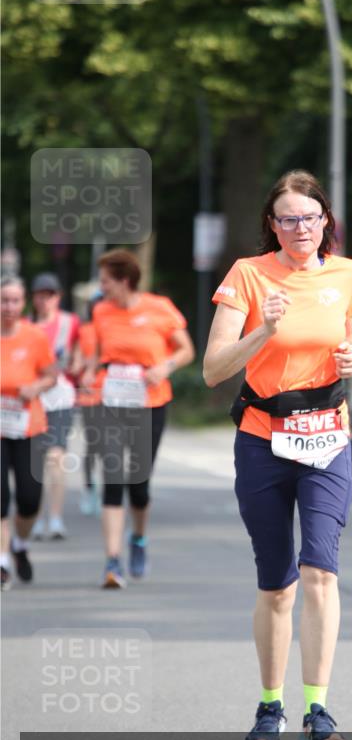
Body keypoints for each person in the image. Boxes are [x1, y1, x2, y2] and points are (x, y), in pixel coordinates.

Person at [203, 170, 352, 740]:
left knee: (321, 570)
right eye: (288, 218)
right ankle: (270, 705)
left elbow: (347, 338)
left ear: (326, 222)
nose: (301, 228)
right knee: (277, 584)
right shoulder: (248, 274)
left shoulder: (346, 274)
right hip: (263, 436)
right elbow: (213, 370)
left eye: (311, 217)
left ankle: (317, 710)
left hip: (327, 435)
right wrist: (263, 330)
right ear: (272, 224)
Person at [82, 249, 194, 589]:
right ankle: (112, 562)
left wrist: (165, 366)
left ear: (124, 280)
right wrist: (88, 374)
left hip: (150, 402)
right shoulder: (101, 311)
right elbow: (97, 354)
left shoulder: (159, 308)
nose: (101, 289)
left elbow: (186, 349)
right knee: (113, 476)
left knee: (139, 485)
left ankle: (139, 539)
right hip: (111, 400)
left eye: (105, 282)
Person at [1, 276, 56, 589]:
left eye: (14, 300)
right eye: (3, 300)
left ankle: (20, 546)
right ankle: (2, 562)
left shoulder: (34, 337)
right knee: (0, 499)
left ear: (23, 304)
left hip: (28, 427)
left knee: (29, 499)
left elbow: (51, 375)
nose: (8, 307)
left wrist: (35, 386)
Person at [30, 272, 80, 539]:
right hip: (34, 397)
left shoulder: (70, 323)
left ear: (58, 297)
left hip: (60, 396)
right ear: (34, 298)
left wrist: (80, 365)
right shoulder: (26, 326)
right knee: (35, 460)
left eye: (50, 295)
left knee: (55, 457)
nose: (45, 300)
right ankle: (35, 517)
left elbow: (84, 352)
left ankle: (56, 518)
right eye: (41, 295)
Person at [72, 294, 103, 517]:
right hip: (90, 396)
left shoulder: (115, 327)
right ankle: (90, 489)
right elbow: (76, 361)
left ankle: (111, 489)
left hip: (114, 396)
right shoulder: (84, 330)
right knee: (94, 445)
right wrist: (79, 367)